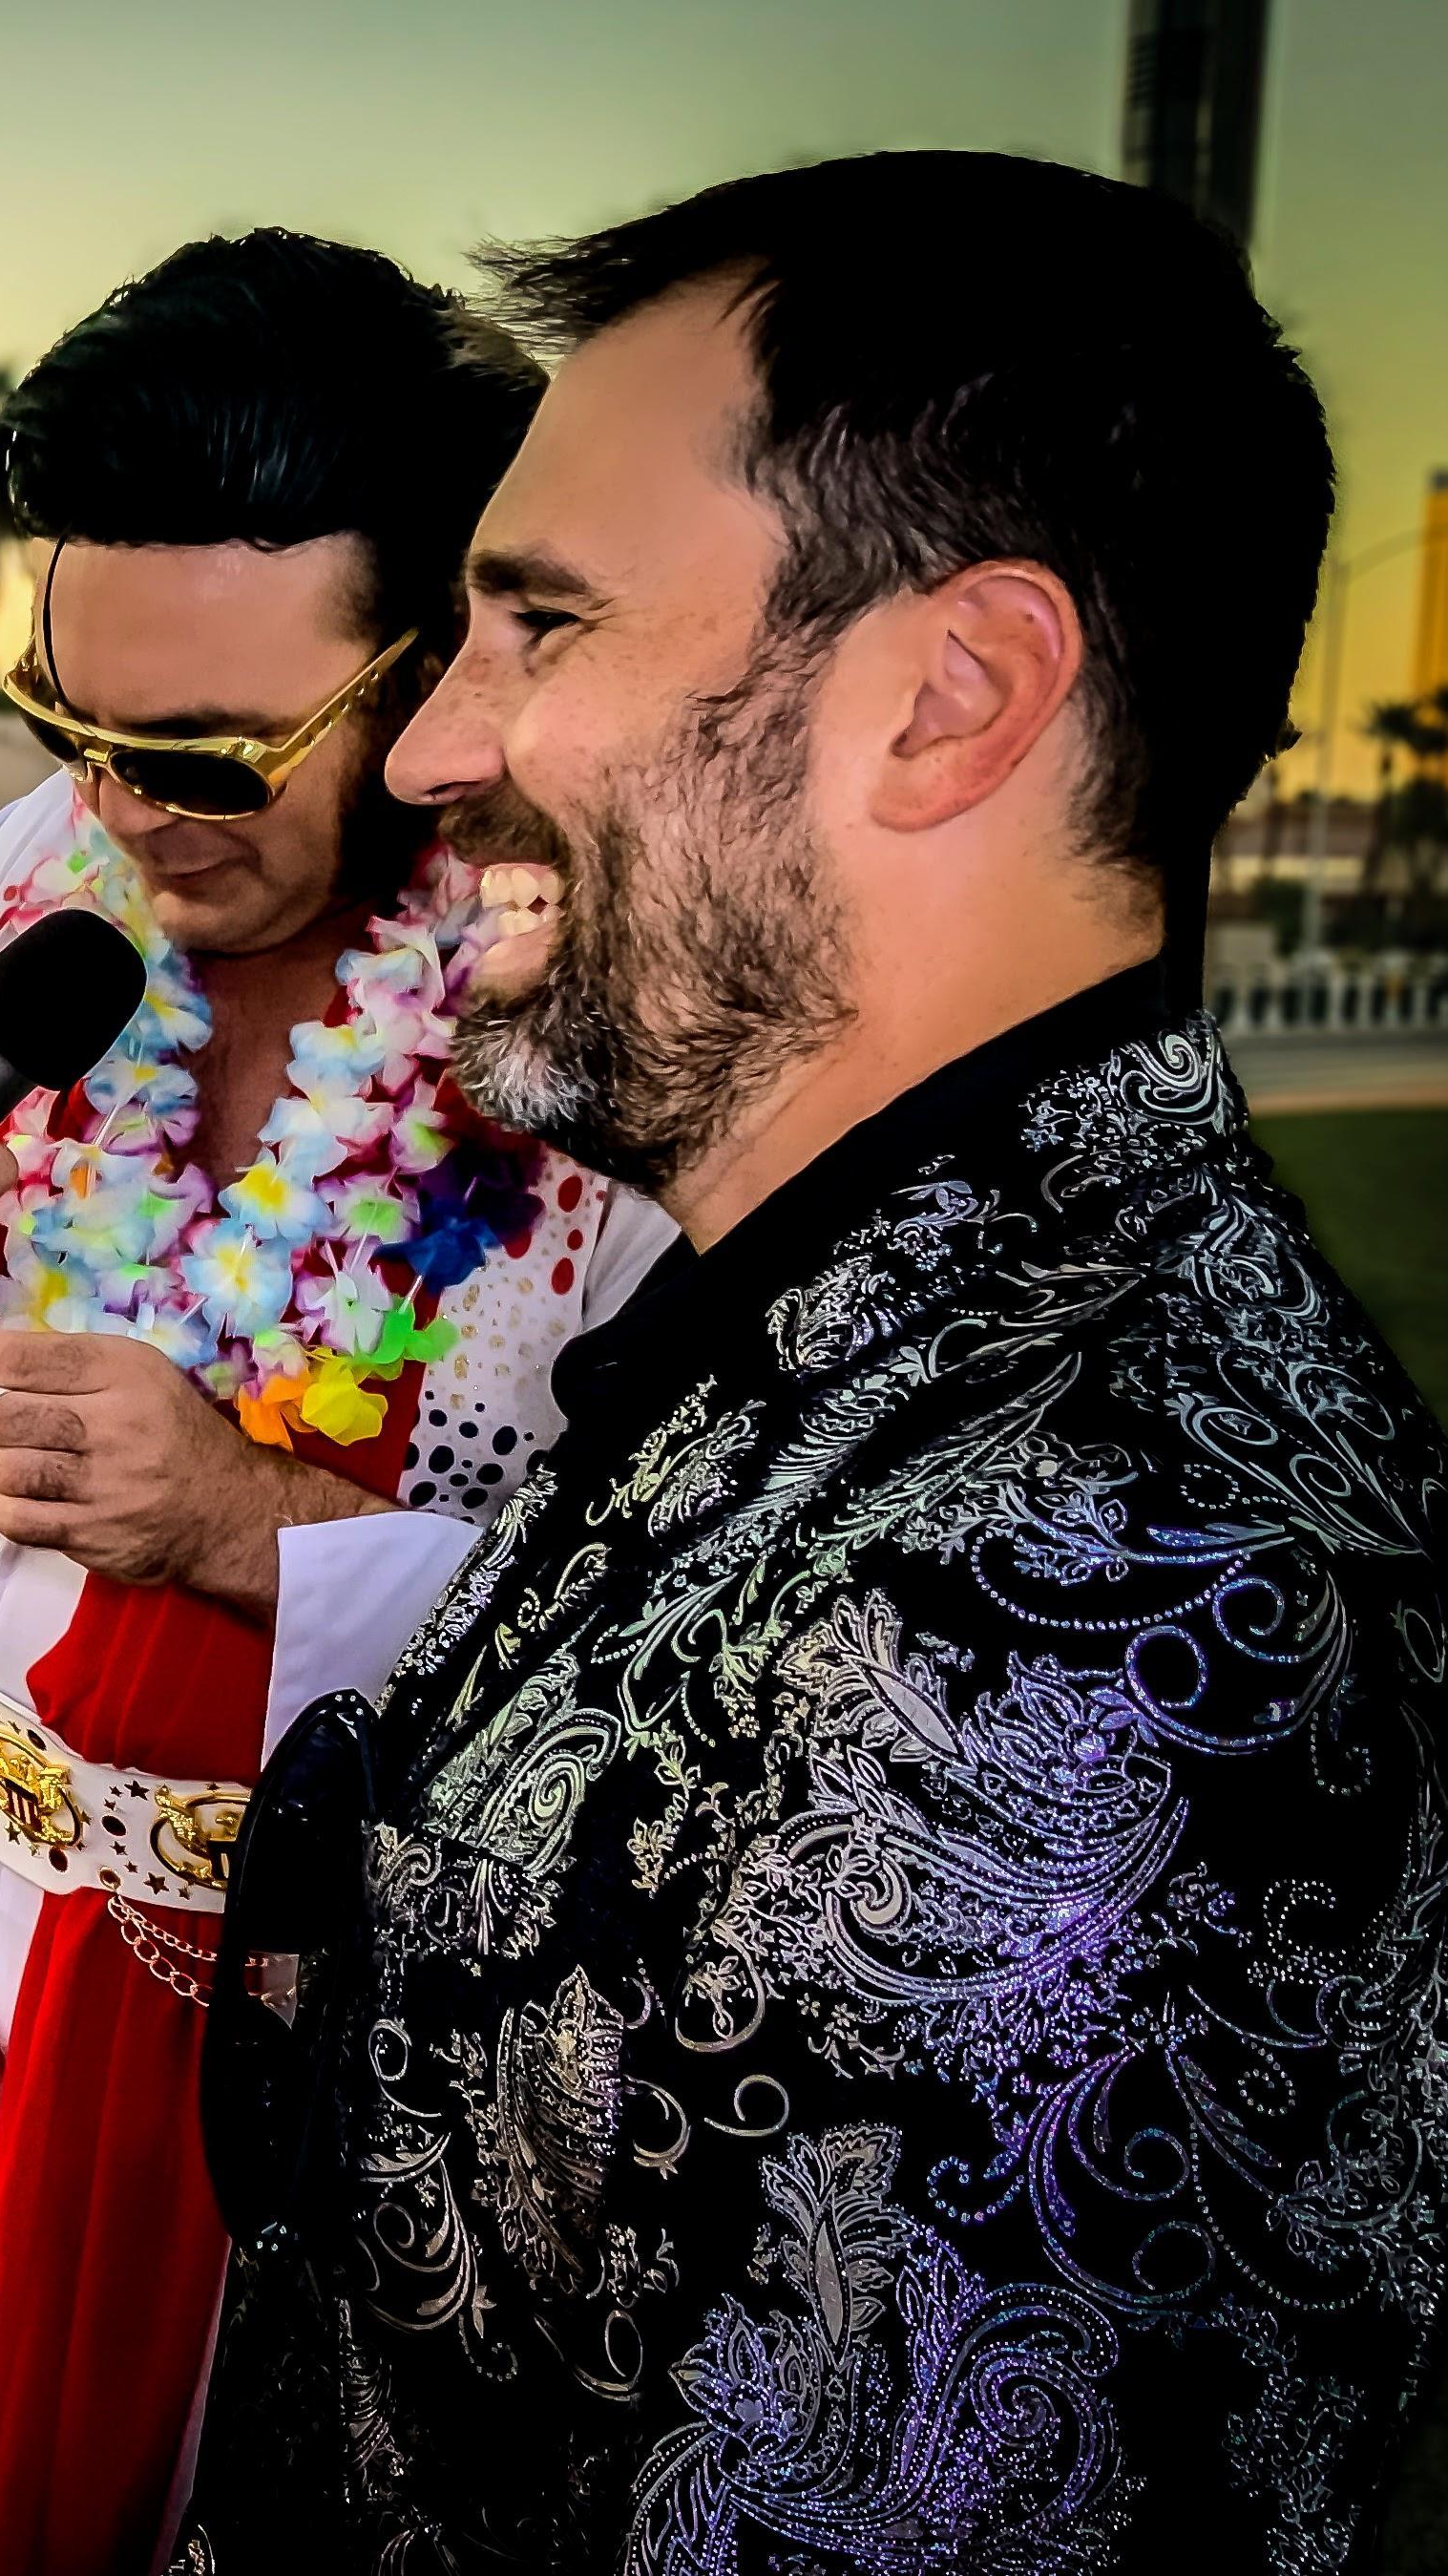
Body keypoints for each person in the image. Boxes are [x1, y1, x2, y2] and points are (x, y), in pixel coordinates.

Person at [178, 151, 1448, 2575]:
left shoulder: (1104, 1616)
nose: (431, 748)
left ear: (951, 699)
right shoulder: (856, 1330)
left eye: (537, 622)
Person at [0, 232, 677, 2576]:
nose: (123, 810)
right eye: (67, 719)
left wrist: (249, 1523)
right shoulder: (36, 875)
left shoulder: (612, 1012)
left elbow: (675, 1651)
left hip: (327, 2017)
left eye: (204, 754)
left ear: (432, 666)